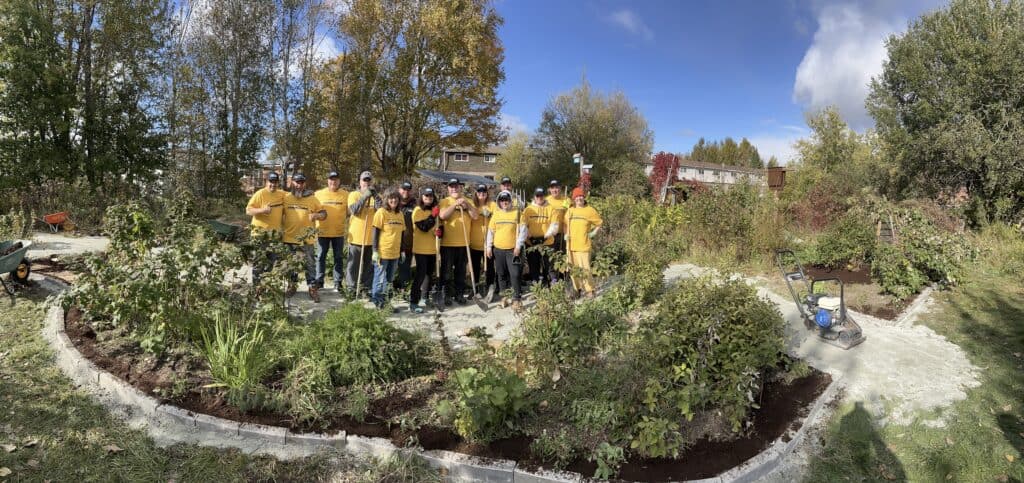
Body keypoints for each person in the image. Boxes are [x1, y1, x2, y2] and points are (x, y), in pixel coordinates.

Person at [282, 173, 327, 302]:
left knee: (310, 264)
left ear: (304, 184)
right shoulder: (286, 198)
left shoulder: (312, 199)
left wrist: (317, 216)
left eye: (301, 182)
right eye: (296, 182)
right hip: (289, 238)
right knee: (291, 265)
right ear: (292, 183)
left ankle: (312, 288)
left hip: (307, 239)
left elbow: (324, 213)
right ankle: (292, 286)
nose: (299, 185)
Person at [438, 178, 477, 305]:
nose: (454, 188)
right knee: (447, 272)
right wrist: (455, 204)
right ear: (448, 188)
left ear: (461, 187)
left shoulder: (469, 201)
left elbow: (475, 216)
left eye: (456, 186)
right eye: (451, 186)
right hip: (447, 244)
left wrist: (467, 206)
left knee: (460, 272)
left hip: (464, 244)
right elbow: (443, 216)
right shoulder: (444, 201)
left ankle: (459, 295)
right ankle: (447, 295)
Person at [486, 190, 527, 309]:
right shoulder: (496, 214)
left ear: (510, 201)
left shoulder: (518, 213)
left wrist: (518, 245)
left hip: (512, 250)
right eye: (502, 200)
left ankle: (516, 299)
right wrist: (489, 246)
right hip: (498, 250)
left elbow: (523, 231)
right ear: (499, 202)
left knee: (515, 274)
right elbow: (491, 231)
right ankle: (504, 297)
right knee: (501, 274)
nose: (505, 202)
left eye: (507, 200)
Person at [245, 172, 286, 286]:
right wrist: (262, 210)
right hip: (260, 235)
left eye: (275, 182)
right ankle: (257, 288)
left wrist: (308, 193)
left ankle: (267, 287)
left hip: (274, 235)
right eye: (270, 182)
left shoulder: (281, 194)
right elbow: (248, 210)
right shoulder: (260, 194)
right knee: (259, 263)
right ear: (266, 182)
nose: (273, 184)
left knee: (272, 262)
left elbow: (294, 196)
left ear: (278, 183)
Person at [564, 187, 603, 299]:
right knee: (573, 270)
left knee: (585, 269)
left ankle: (590, 290)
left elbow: (599, 223)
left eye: (580, 196)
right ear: (574, 199)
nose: (579, 198)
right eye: (576, 197)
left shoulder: (590, 210)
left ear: (584, 197)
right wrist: (566, 234)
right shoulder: (570, 210)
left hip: (584, 245)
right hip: (571, 246)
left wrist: (593, 233)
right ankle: (577, 290)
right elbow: (565, 224)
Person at [370, 190, 406, 309]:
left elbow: (402, 233)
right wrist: (375, 251)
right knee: (380, 280)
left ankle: (386, 303)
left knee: (389, 280)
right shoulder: (381, 212)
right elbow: (375, 232)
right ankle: (378, 303)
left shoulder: (400, 214)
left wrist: (402, 251)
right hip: (382, 253)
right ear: (386, 199)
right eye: (391, 198)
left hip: (394, 254)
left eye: (396, 198)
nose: (393, 200)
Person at [346, 171, 379, 298]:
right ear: (360, 182)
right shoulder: (353, 195)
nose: (367, 183)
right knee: (353, 266)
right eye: (364, 180)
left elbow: (381, 211)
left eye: (369, 180)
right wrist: (365, 196)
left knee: (368, 268)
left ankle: (365, 289)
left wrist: (375, 196)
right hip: (356, 238)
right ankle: (351, 289)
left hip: (371, 239)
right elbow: (354, 210)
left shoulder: (375, 196)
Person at [314, 170, 348, 292]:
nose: (333, 181)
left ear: (339, 181)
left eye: (336, 179)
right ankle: (319, 281)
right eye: (331, 179)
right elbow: (312, 209)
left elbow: (350, 212)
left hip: (338, 233)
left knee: (338, 258)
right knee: (320, 256)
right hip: (322, 232)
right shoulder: (318, 194)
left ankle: (337, 283)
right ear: (327, 181)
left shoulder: (345, 195)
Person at [409, 188, 439, 313]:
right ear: (422, 197)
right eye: (426, 195)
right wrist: (433, 216)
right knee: (420, 275)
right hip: (421, 248)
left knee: (429, 275)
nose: (429, 198)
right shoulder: (417, 211)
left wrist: (440, 232)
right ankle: (413, 302)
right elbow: (423, 227)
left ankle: (424, 298)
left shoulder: (435, 211)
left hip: (433, 248)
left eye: (431, 196)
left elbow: (438, 227)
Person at [522, 187, 559, 288]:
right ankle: (537, 286)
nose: (539, 198)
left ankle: (553, 285)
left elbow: (555, 225)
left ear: (544, 196)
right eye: (537, 196)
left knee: (550, 265)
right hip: (531, 243)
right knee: (534, 266)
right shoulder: (528, 210)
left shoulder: (551, 208)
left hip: (547, 243)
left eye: (541, 195)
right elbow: (523, 225)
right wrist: (530, 237)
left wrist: (545, 237)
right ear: (534, 197)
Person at [468, 184, 497, 300]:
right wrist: (479, 213)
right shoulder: (472, 205)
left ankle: (490, 289)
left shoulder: (492, 205)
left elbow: (497, 216)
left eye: (484, 191)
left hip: (488, 244)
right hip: (474, 243)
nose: (481, 194)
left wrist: (491, 214)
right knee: (474, 269)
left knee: (489, 268)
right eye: (479, 192)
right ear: (476, 193)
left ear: (487, 193)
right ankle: (474, 290)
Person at [394, 181, 416, 293]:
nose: (405, 192)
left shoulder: (415, 205)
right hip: (392, 243)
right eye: (403, 189)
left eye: (408, 189)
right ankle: (388, 289)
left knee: (405, 268)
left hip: (407, 243)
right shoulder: (393, 203)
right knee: (390, 268)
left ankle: (404, 289)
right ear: (399, 189)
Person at [546, 179, 570, 282]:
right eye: (553, 187)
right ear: (549, 189)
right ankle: (553, 278)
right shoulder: (546, 201)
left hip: (563, 233)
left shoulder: (566, 200)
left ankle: (564, 276)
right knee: (551, 256)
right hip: (550, 234)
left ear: (560, 188)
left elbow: (571, 214)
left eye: (557, 187)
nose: (555, 189)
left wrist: (568, 207)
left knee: (563, 255)